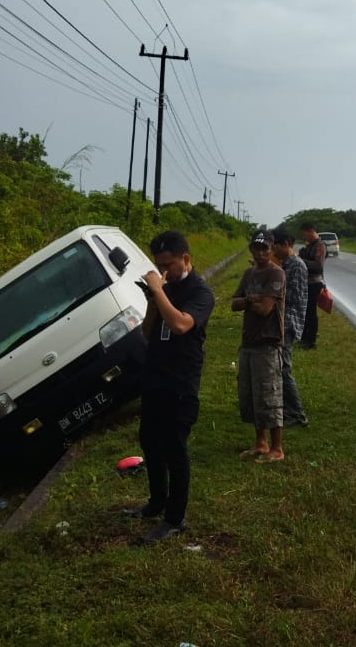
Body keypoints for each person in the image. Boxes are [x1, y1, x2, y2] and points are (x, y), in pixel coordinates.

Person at [127, 231, 215, 544]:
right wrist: (153, 299)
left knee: (174, 449)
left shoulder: (200, 292)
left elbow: (180, 325)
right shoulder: (165, 289)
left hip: (181, 383)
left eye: (169, 264)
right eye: (158, 265)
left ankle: (175, 519)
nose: (164, 270)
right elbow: (149, 333)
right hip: (155, 378)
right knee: (149, 441)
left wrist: (158, 290)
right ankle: (156, 501)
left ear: (186, 259)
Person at [231, 230, 287, 462]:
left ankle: (277, 448)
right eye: (257, 248)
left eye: (265, 248)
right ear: (251, 249)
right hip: (249, 341)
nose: (261, 252)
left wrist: (249, 301)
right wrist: (250, 300)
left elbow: (265, 309)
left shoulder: (277, 274)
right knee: (252, 396)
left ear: (272, 249)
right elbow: (234, 304)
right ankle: (260, 443)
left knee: (270, 395)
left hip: (268, 343)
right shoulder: (248, 273)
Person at [271, 228, 309, 427]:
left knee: (284, 369)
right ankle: (287, 410)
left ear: (285, 244)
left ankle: (297, 414)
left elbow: (293, 297)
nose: (273, 250)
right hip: (282, 321)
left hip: (288, 322)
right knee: (279, 367)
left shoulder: (295, 265)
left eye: (275, 245)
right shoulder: (287, 264)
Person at [298, 221, 327, 349]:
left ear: (310, 231)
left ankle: (311, 341)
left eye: (304, 234)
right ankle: (304, 337)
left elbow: (318, 266)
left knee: (310, 312)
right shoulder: (310, 245)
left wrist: (301, 260)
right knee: (304, 311)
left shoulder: (320, 245)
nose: (304, 237)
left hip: (315, 283)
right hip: (306, 282)